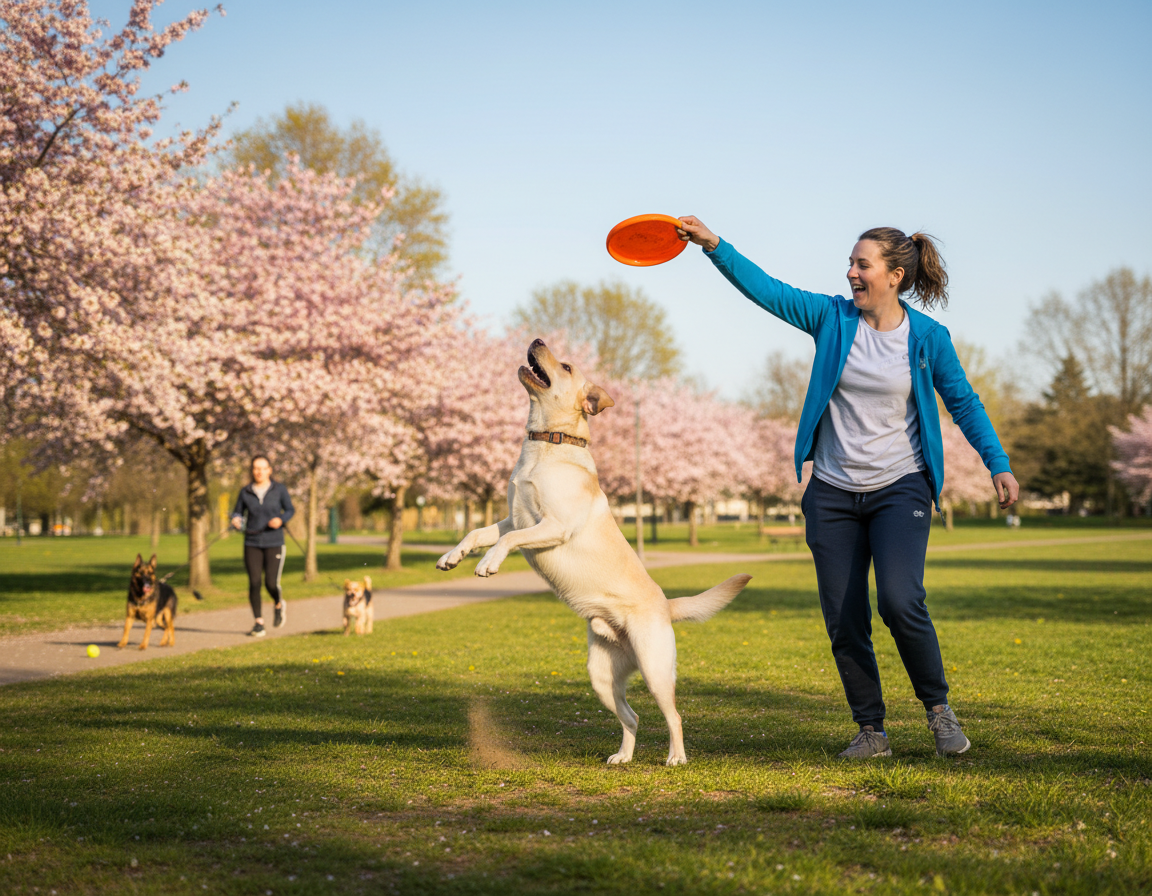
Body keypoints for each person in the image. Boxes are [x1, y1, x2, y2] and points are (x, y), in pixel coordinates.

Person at [677, 217, 1019, 759]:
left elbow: (964, 403)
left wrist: (996, 462)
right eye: (851, 264)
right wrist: (714, 245)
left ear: (895, 275)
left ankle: (938, 709)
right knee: (844, 617)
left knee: (901, 601)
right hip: (833, 493)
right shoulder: (832, 317)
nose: (851, 273)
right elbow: (767, 291)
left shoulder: (928, 338)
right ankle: (871, 730)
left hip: (900, 487)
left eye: (863, 265)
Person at [230, 455, 295, 638]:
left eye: (263, 468)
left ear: (269, 470)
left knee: (270, 583)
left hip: (274, 542)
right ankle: (259, 622)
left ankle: (278, 603)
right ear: (252, 471)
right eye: (256, 468)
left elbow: (290, 509)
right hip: (252, 542)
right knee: (254, 582)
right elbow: (237, 512)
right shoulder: (245, 492)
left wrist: (280, 520)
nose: (259, 472)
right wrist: (236, 520)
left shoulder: (279, 489)